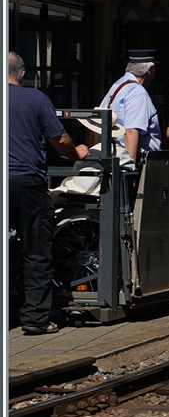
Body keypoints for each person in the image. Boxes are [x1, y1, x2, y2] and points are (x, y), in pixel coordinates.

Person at [8, 51, 89, 335]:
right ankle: (35, 319)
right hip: (27, 183)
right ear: (22, 73)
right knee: (36, 251)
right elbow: (60, 138)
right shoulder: (35, 99)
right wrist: (76, 153)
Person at [100, 48, 161, 164]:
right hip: (134, 160)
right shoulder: (137, 92)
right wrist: (130, 167)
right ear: (149, 70)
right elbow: (131, 131)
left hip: (113, 155)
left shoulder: (118, 85)